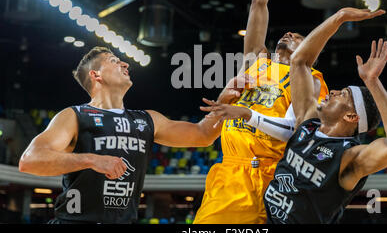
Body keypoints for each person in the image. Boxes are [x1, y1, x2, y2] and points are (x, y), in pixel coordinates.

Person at [202, 7, 387, 224]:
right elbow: (300, 61)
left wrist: (373, 82)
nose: (333, 91)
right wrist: (338, 18)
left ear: (351, 117)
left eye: (344, 94)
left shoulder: (349, 158)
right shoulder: (307, 124)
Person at [18, 47, 244, 224]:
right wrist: (91, 159)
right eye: (114, 61)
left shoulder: (148, 119)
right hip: (74, 221)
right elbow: (30, 161)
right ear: (96, 75)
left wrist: (225, 100)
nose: (125, 63)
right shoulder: (75, 116)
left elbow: (203, 134)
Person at [193, 0, 328, 224]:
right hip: (230, 172)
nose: (289, 33)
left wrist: (247, 113)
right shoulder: (257, 62)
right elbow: (258, 5)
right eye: (288, 32)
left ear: (310, 51)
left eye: (298, 36)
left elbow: (296, 129)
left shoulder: (311, 79)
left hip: (270, 174)